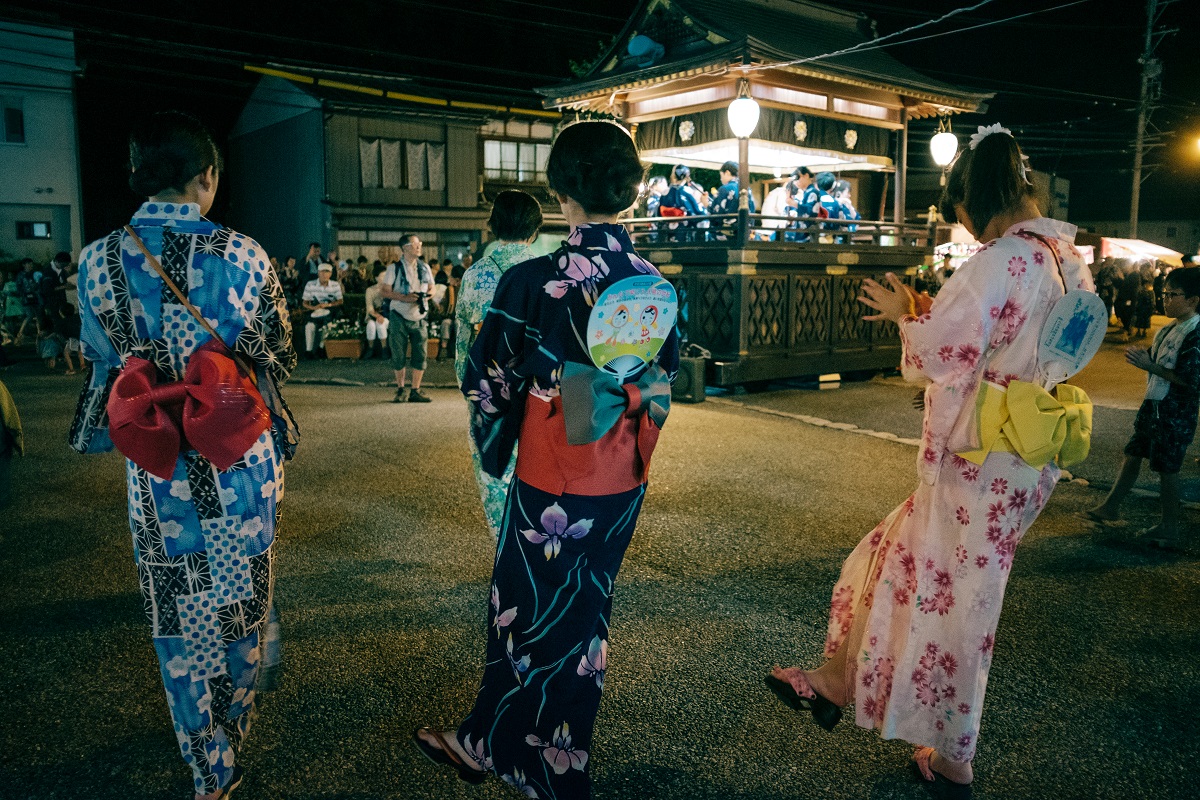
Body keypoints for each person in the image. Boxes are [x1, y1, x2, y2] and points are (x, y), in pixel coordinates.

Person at [766, 125, 1095, 798]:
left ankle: (953, 758)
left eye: (965, 218)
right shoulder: (1066, 256)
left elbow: (941, 356)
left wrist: (904, 315)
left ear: (978, 202)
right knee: (895, 559)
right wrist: (929, 316)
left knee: (960, 605)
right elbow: (1022, 341)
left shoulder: (1002, 259)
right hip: (1027, 452)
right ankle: (836, 682)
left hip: (979, 458)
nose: (968, 231)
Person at [415, 121, 679, 799]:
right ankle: (547, 753)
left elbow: (490, 380)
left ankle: (508, 752)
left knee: (522, 606)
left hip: (552, 473)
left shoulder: (534, 280)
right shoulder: (653, 283)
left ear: (560, 190)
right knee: (585, 610)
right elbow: (663, 377)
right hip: (621, 474)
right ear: (631, 190)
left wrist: (498, 436)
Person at [68, 110, 297, 800]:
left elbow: (100, 358)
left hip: (159, 463)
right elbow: (278, 351)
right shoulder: (242, 253)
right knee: (241, 598)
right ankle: (233, 722)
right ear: (207, 175)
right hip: (236, 458)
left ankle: (207, 765)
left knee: (179, 610)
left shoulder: (98, 259)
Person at [1084, 266, 1199, 551]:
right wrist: (1145, 360)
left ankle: (1169, 526)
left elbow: (1190, 381)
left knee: (1168, 468)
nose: (1164, 299)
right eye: (1165, 293)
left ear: (1193, 300)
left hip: (1175, 412)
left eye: (1172, 294)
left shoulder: (1195, 333)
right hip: (1155, 405)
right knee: (1133, 452)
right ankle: (1110, 506)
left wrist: (1149, 365)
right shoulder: (1171, 328)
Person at [454, 189, 541, 541]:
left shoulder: (475, 275)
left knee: (495, 475)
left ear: (493, 226)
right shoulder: (547, 272)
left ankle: (504, 545)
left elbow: (464, 340)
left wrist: (467, 385)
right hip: (537, 387)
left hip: (490, 387)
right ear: (534, 229)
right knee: (537, 470)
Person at [380, 233, 433, 403]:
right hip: (399, 315)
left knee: (421, 353)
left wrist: (425, 296)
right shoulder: (393, 268)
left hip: (419, 314)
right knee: (398, 353)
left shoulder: (425, 267)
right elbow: (385, 291)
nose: (419, 247)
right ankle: (401, 389)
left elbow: (432, 288)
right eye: (415, 244)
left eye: (420, 243)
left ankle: (415, 390)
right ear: (405, 248)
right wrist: (404, 298)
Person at [301, 263, 343, 358]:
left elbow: (340, 301)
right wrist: (314, 308)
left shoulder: (335, 285)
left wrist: (328, 305)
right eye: (322, 272)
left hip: (330, 311)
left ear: (330, 274)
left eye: (327, 272)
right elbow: (305, 303)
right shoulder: (310, 284)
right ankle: (308, 351)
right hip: (315, 311)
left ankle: (322, 348)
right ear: (318, 273)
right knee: (309, 326)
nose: (324, 274)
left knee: (328, 325)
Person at [709, 159, 754, 236]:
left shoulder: (724, 189)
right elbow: (752, 209)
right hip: (745, 232)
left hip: (726, 233)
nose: (721, 179)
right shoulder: (747, 189)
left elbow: (716, 213)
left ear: (727, 173)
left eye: (721, 176)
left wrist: (707, 205)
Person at [363, 263, 389, 359]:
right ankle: (370, 349)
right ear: (376, 278)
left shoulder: (391, 289)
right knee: (371, 325)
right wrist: (377, 316)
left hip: (387, 315)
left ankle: (384, 349)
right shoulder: (370, 290)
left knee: (380, 324)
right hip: (373, 315)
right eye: (382, 276)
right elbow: (369, 308)